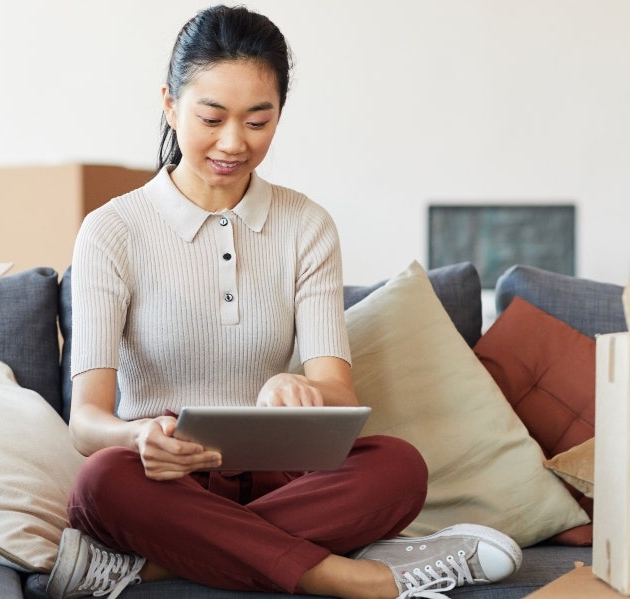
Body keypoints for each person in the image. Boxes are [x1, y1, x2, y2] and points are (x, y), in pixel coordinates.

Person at [46, 5, 523, 599]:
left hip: (282, 480)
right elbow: (87, 423)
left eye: (257, 121)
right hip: (168, 481)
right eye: (212, 117)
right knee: (100, 483)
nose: (232, 143)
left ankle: (161, 565)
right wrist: (136, 438)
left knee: (397, 468)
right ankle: (346, 575)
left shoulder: (307, 225)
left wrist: (301, 391)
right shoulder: (111, 230)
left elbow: (337, 394)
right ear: (169, 103)